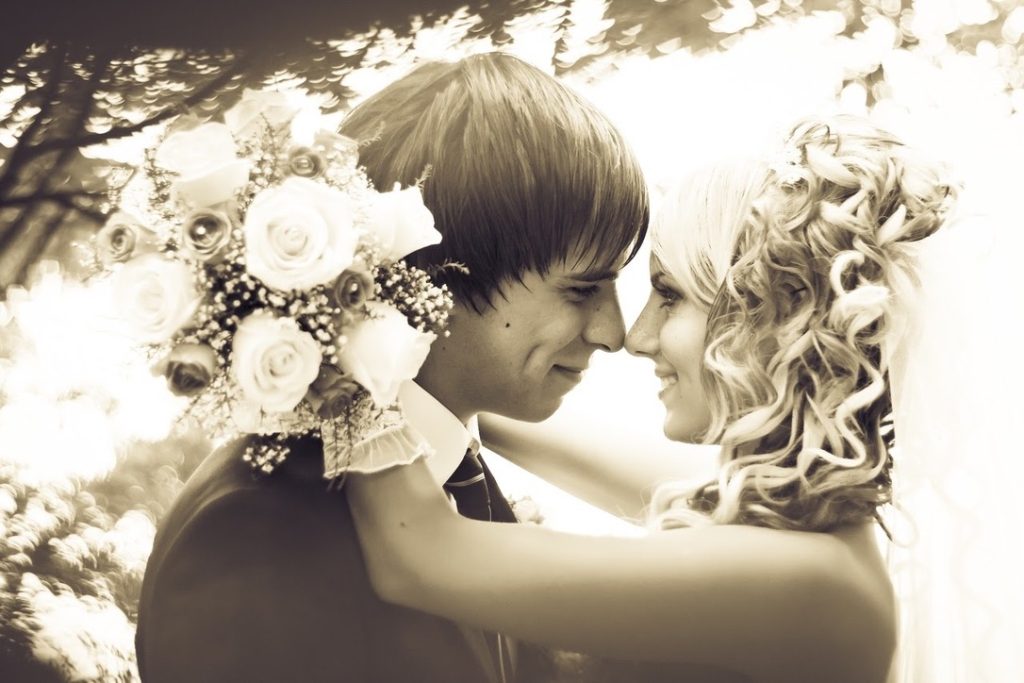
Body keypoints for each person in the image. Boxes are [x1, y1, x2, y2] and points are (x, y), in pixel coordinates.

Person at [347, 114, 959, 683]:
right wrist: (446, 359)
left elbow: (419, 555)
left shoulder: (812, 585)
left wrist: (328, 318)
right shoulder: (785, 513)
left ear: (770, 322)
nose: (635, 337)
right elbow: (483, 407)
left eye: (669, 295)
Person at [134, 53, 649, 683]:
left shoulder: (457, 473)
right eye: (580, 291)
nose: (614, 333)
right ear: (438, 271)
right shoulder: (256, 528)